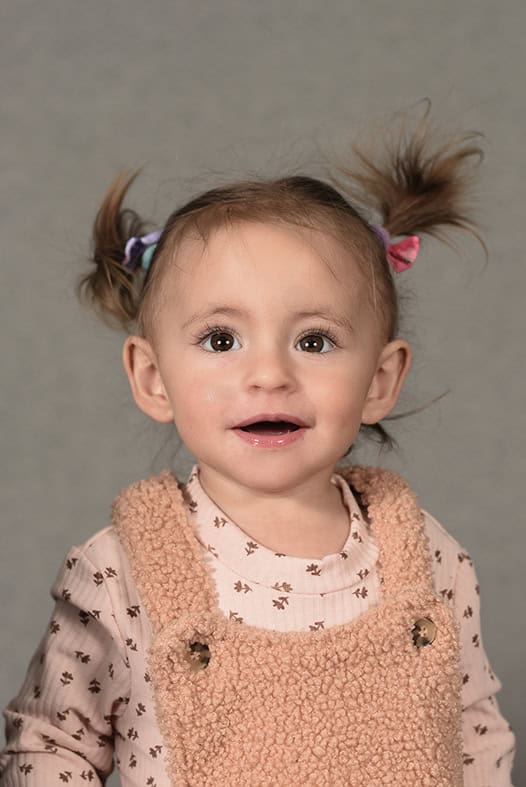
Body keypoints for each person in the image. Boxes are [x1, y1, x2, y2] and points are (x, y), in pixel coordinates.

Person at [0, 114, 516, 786]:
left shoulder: (425, 560)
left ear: (379, 379)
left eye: (314, 341)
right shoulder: (119, 571)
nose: (269, 374)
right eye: (221, 340)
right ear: (152, 378)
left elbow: (472, 732)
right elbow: (50, 744)